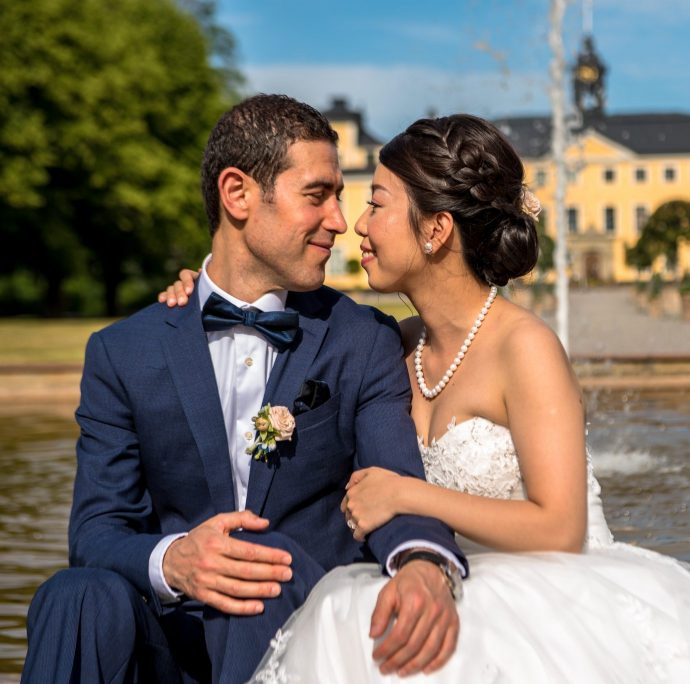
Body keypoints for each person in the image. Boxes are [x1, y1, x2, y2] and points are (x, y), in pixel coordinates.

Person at [162, 114, 690, 682]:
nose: (354, 225)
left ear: (436, 230)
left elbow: (560, 527)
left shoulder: (525, 346)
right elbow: (271, 318)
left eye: (375, 203)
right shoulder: (386, 345)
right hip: (431, 578)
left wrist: (410, 497)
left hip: (555, 594)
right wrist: (197, 298)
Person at [23, 95, 465, 684]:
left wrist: (420, 563)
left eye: (340, 197)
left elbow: (397, 482)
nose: (339, 220)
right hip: (165, 636)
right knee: (75, 594)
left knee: (262, 570)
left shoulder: (360, 338)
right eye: (318, 195)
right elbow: (97, 533)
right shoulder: (122, 352)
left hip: (294, 619)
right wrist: (174, 560)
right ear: (238, 195)